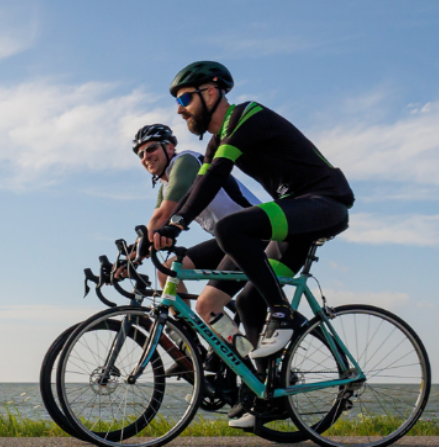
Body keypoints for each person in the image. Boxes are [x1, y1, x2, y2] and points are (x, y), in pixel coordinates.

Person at [152, 61, 355, 367]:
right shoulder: (216, 142)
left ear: (209, 93)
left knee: (230, 229)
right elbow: (198, 188)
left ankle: (282, 313)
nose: (180, 110)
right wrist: (159, 233)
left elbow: (216, 176)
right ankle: (262, 393)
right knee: (241, 302)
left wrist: (177, 224)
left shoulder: (247, 115)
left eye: (184, 99)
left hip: (324, 203)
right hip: (293, 221)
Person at [124, 124, 261, 329]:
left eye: (151, 148)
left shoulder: (186, 162)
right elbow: (152, 226)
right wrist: (128, 258)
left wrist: (132, 258)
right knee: (167, 271)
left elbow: (162, 216)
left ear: (169, 148)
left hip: (257, 235)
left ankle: (236, 354)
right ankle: (187, 337)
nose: (146, 156)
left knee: (207, 304)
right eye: (141, 154)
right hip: (229, 240)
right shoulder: (166, 184)